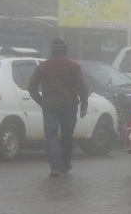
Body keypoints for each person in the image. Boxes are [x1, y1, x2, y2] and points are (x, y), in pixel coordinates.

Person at [27, 37, 89, 177]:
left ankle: (54, 168)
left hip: (50, 106)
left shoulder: (43, 66)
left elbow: (31, 87)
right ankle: (65, 165)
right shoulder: (73, 66)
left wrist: (41, 101)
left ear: (52, 51)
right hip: (69, 105)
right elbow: (82, 87)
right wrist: (84, 105)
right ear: (65, 50)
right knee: (67, 136)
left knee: (51, 137)